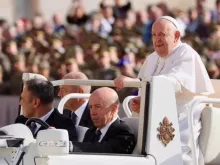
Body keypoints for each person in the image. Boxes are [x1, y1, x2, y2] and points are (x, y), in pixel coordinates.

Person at [114, 16, 214, 165]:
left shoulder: (186, 54)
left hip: (180, 122)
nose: (157, 39)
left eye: (162, 34)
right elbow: (148, 91)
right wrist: (142, 103)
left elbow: (173, 83)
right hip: (154, 120)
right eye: (154, 35)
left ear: (176, 36)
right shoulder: (152, 58)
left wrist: (135, 82)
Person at [71, 87, 136, 154]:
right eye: (90, 107)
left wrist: (72, 146)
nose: (93, 112)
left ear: (113, 109)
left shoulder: (123, 132)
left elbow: (105, 151)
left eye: (98, 106)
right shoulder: (91, 132)